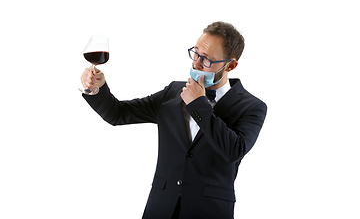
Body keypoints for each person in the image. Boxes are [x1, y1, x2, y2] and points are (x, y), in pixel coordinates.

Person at [80, 22, 267, 219]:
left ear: (231, 65)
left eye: (206, 60)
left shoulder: (252, 107)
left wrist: (198, 104)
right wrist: (97, 88)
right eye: (196, 53)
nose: (196, 63)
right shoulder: (173, 93)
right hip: (160, 209)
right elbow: (117, 114)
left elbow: (233, 150)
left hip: (209, 212)